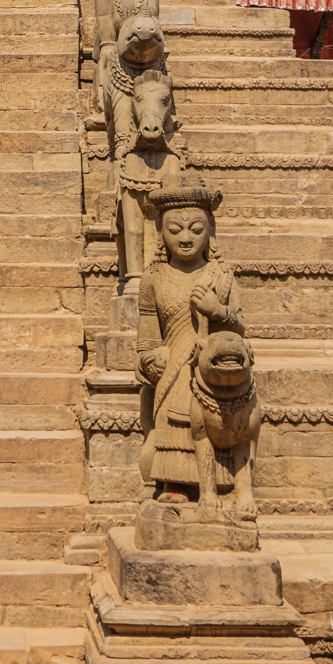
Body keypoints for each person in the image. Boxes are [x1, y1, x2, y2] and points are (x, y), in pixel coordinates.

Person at [136, 165, 244, 499]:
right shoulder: (153, 280)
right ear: (160, 233)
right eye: (175, 229)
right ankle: (175, 482)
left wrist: (218, 311)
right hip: (172, 377)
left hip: (212, 377)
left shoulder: (222, 277)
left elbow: (240, 332)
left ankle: (219, 484)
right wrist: (149, 360)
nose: (185, 237)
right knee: (178, 397)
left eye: (196, 229)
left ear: (209, 231)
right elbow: (146, 343)